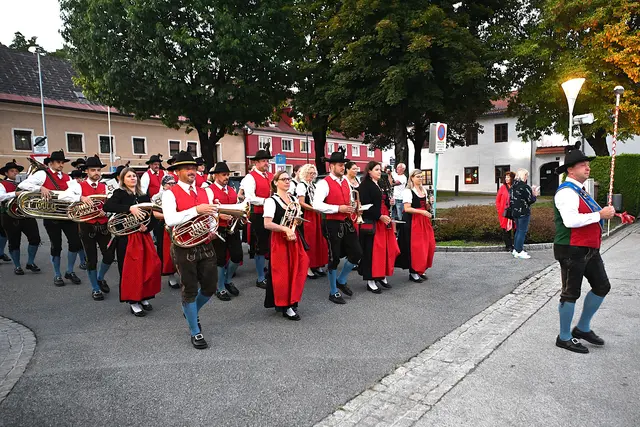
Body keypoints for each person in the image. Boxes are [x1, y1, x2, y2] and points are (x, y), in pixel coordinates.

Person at [553, 143, 615, 354]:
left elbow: (590, 214)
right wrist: (600, 215)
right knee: (570, 293)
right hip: (571, 249)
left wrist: (612, 214)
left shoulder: (581, 191)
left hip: (588, 248)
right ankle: (564, 337)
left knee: (602, 286)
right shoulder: (566, 192)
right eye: (582, 165)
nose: (587, 168)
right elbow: (570, 221)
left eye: (587, 164)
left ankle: (582, 328)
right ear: (570, 170)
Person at [162, 151, 219, 349]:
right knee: (190, 289)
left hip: (205, 243)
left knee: (210, 287)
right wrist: (196, 210)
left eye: (193, 167)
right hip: (183, 247)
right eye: (187, 168)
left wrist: (212, 229)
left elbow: (211, 216)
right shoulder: (169, 194)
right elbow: (170, 220)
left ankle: (189, 311)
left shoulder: (206, 191)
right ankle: (195, 331)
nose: (192, 171)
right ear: (177, 172)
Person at [18, 150, 83, 286]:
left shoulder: (68, 177)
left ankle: (70, 271)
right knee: (56, 246)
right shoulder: (42, 174)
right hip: (51, 216)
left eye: (62, 162)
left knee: (75, 243)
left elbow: (76, 193)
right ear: (51, 163)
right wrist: (40, 188)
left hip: (66, 214)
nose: (61, 164)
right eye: (58, 162)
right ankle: (57, 274)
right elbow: (23, 185)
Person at [103, 167, 161, 317]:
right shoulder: (119, 193)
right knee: (130, 270)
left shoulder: (143, 195)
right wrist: (130, 208)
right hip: (127, 237)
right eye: (129, 176)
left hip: (142, 236)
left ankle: (144, 296)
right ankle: (133, 301)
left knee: (148, 266)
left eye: (134, 176)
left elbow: (152, 215)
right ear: (123, 179)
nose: (132, 178)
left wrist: (147, 227)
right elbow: (107, 206)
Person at [312, 150, 362, 304]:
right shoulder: (324, 183)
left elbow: (348, 199)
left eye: (343, 165)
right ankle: (333, 291)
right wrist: (337, 208)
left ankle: (341, 280)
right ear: (331, 166)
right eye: (340, 165)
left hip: (346, 221)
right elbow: (316, 204)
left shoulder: (345, 181)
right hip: (331, 223)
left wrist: (354, 207)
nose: (343, 168)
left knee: (357, 253)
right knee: (333, 258)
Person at [62, 156, 114, 300]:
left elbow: (112, 202)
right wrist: (80, 198)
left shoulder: (106, 186)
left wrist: (107, 211)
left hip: (103, 225)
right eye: (93, 170)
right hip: (87, 226)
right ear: (87, 171)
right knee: (91, 259)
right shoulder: (78, 185)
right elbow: (64, 197)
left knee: (109, 256)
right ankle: (95, 288)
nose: (96, 172)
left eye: (98, 170)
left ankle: (100, 278)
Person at [264, 170, 309, 320]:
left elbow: (296, 219)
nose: (287, 181)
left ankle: (293, 300)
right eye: (283, 179)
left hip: (294, 238)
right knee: (283, 274)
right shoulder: (271, 201)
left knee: (299, 268)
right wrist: (285, 229)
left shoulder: (293, 198)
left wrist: (297, 221)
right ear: (275, 182)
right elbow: (267, 224)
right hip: (280, 240)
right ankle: (286, 305)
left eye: (288, 179)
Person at [357, 161, 400, 293]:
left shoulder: (380, 183)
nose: (379, 172)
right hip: (373, 220)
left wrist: (388, 202)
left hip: (383, 219)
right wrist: (380, 216)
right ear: (369, 171)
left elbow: (382, 200)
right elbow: (365, 206)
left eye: (380, 169)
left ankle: (381, 275)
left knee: (385, 249)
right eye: (376, 169)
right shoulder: (365, 185)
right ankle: (371, 280)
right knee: (372, 251)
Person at [209, 161, 243, 300]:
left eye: (228, 174)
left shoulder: (231, 189)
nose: (227, 177)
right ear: (216, 175)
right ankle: (220, 287)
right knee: (220, 259)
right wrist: (219, 215)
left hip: (232, 226)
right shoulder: (209, 190)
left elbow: (236, 206)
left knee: (237, 256)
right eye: (224, 175)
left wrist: (240, 214)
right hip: (218, 227)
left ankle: (228, 280)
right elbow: (206, 209)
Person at [0, 160, 41, 274]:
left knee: (35, 239)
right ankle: (17, 266)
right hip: (9, 216)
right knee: (14, 242)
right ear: (6, 173)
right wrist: (15, 194)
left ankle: (30, 262)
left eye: (17, 171)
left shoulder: (25, 184)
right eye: (12, 171)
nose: (15, 173)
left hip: (26, 214)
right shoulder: (2, 184)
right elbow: (1, 197)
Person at [242, 145, 274, 289]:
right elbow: (250, 197)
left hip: (271, 213)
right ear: (256, 162)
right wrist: (267, 201)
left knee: (271, 244)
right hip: (258, 214)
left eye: (267, 161)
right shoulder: (250, 177)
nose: (266, 163)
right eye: (263, 161)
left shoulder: (270, 176)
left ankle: (270, 272)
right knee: (260, 246)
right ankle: (260, 277)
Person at [396, 169, 436, 282]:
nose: (420, 178)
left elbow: (426, 207)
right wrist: (422, 212)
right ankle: (413, 272)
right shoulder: (408, 191)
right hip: (413, 220)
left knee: (428, 244)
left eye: (421, 176)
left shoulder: (423, 190)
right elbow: (407, 208)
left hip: (423, 220)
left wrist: (430, 203)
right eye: (418, 176)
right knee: (416, 246)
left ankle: (421, 268)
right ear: (412, 178)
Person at [296, 164, 328, 279]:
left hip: (316, 215)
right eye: (310, 173)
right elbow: (301, 202)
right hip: (307, 215)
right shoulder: (301, 185)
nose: (312, 175)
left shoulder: (314, 185)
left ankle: (317, 264)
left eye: (314, 173)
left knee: (318, 240)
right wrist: (313, 208)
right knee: (309, 241)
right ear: (304, 173)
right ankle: (308, 267)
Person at [152, 175, 181, 289]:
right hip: (163, 226)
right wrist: (170, 215)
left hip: (178, 224)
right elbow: (155, 213)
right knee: (167, 252)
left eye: (174, 183)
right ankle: (170, 276)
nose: (172, 185)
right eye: (170, 183)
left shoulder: (178, 194)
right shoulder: (158, 196)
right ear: (164, 185)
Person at [510, 168, 539, 259]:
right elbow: (530, 200)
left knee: (518, 230)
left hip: (515, 212)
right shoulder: (525, 187)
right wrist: (534, 195)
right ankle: (519, 250)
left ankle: (515, 249)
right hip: (523, 211)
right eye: (526, 176)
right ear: (524, 176)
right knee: (522, 231)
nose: (527, 177)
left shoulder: (512, 186)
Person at [495, 171, 516, 252]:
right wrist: (499, 209)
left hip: (514, 211)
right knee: (506, 229)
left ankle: (516, 245)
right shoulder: (502, 188)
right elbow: (498, 200)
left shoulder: (515, 187)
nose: (506, 179)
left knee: (516, 228)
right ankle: (508, 246)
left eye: (508, 177)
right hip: (505, 212)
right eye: (506, 177)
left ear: (512, 178)